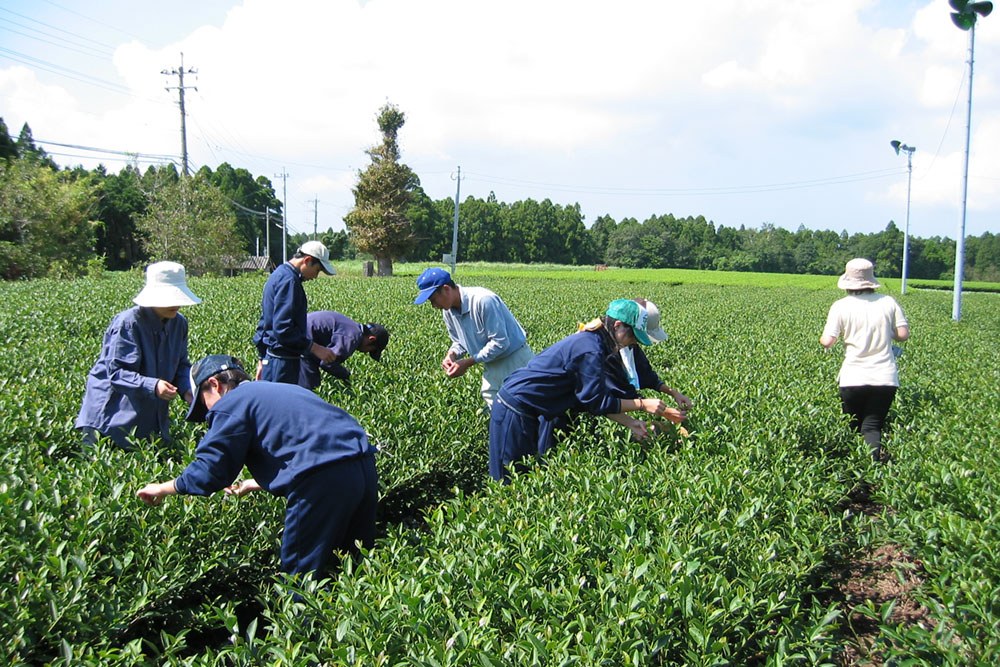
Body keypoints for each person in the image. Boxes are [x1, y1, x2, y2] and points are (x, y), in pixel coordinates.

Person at [136, 354, 379, 577]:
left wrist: (163, 488)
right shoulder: (278, 390)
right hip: (362, 465)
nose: (209, 412)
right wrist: (254, 483)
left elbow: (211, 471)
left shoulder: (231, 404)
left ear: (214, 384)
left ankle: (302, 624)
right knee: (354, 561)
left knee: (300, 574)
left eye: (203, 402)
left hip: (322, 481)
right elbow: (304, 448)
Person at [488, 299, 672, 482]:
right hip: (515, 408)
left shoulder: (597, 343)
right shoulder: (590, 350)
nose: (632, 343)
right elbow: (597, 401)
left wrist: (631, 423)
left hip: (529, 410)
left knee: (525, 475)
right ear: (617, 326)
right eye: (632, 337)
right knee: (508, 479)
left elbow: (589, 399)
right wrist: (642, 404)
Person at [75, 261, 201, 449]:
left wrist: (187, 390)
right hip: (110, 419)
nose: (176, 304)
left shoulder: (179, 324)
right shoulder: (128, 323)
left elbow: (181, 365)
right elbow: (116, 373)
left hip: (146, 417)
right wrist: (153, 385)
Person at [820, 258, 910, 462]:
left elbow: (827, 341)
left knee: (852, 426)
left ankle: (853, 474)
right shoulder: (888, 302)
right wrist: (887, 333)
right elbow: (903, 335)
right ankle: (872, 473)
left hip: (853, 377)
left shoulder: (840, 306)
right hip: (885, 378)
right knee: (871, 427)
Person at [414, 267, 533, 409]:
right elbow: (459, 342)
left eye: (433, 299)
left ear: (446, 289)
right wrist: (451, 355)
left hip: (515, 360)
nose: (433, 305)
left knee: (525, 409)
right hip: (492, 364)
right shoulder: (448, 311)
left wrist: (468, 362)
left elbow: (500, 342)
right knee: (499, 413)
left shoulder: (483, 300)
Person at [253, 241, 337, 384]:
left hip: (272, 358)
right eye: (317, 270)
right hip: (282, 361)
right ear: (307, 261)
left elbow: (265, 323)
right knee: (279, 404)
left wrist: (262, 359)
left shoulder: (278, 273)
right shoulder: (289, 281)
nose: (315, 277)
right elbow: (283, 329)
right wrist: (315, 348)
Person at [299, 311, 390, 390]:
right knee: (311, 388)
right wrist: (347, 377)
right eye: (371, 350)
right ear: (371, 339)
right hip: (302, 340)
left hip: (300, 334)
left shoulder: (352, 327)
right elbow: (327, 362)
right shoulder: (353, 337)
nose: (366, 352)